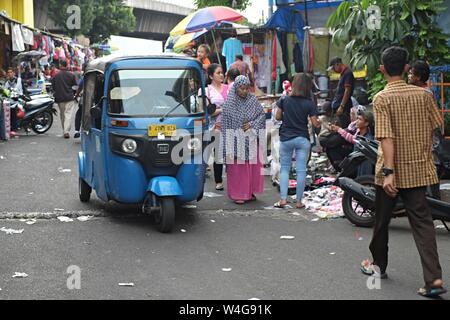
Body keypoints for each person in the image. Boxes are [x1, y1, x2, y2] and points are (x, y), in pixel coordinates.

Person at [360, 46, 446, 298]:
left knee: (382, 221)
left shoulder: (382, 98)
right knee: (423, 224)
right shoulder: (425, 96)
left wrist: (388, 172)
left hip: (391, 173)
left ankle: (377, 266)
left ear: (382, 69)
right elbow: (434, 127)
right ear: (407, 68)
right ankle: (434, 280)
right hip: (418, 170)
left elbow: (386, 137)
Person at [273, 73, 321, 209]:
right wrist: (320, 122)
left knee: (285, 169)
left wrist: (286, 115)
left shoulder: (284, 100)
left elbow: (277, 117)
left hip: (286, 138)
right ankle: (299, 202)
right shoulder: (309, 104)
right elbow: (314, 123)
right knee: (301, 170)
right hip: (302, 139)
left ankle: (283, 199)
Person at [221, 75, 266, 204]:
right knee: (238, 170)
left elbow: (261, 115)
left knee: (252, 168)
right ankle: (239, 194)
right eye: (242, 88)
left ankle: (249, 192)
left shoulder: (252, 100)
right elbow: (226, 125)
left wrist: (251, 125)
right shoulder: (229, 104)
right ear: (236, 88)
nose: (244, 91)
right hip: (235, 142)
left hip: (251, 139)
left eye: (246, 88)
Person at [201, 63, 229, 191]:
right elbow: (207, 111)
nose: (221, 75)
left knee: (223, 154)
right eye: (218, 73)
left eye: (222, 72)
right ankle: (208, 179)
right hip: (211, 127)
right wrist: (223, 110)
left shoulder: (229, 89)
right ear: (211, 76)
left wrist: (220, 110)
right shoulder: (206, 91)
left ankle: (224, 180)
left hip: (228, 125)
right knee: (208, 152)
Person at [331, 110, 375, 176]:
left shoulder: (367, 138)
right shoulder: (358, 133)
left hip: (362, 165)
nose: (356, 121)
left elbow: (351, 139)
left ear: (366, 123)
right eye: (357, 118)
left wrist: (339, 130)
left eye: (360, 119)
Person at [51, 60, 78, 139]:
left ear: (60, 65)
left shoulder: (56, 76)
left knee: (62, 115)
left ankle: (65, 131)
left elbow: (53, 87)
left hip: (60, 98)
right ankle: (66, 131)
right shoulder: (71, 75)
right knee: (68, 115)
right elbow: (75, 86)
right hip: (69, 97)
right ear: (66, 65)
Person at [328, 57, 354, 128]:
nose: (334, 70)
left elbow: (347, 90)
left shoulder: (347, 73)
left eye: (333, 68)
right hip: (339, 105)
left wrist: (342, 106)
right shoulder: (343, 74)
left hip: (344, 107)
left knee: (344, 126)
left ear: (337, 64)